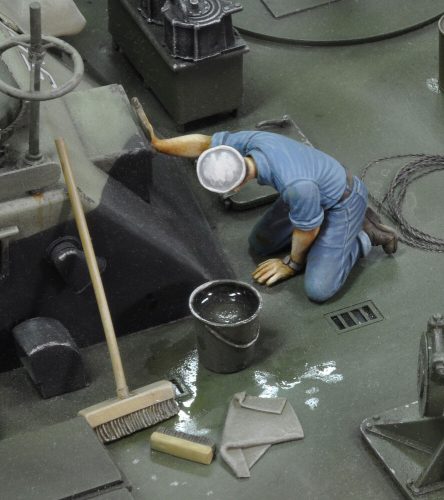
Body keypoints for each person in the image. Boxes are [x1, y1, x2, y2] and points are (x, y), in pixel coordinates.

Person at [139, 110, 397, 303]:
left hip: (342, 200)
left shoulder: (297, 185)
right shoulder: (255, 142)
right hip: (316, 190)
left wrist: (290, 265)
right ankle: (337, 236)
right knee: (260, 243)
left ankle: (366, 234)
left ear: (235, 187)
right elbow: (205, 144)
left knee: (319, 289)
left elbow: (307, 231)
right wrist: (159, 144)